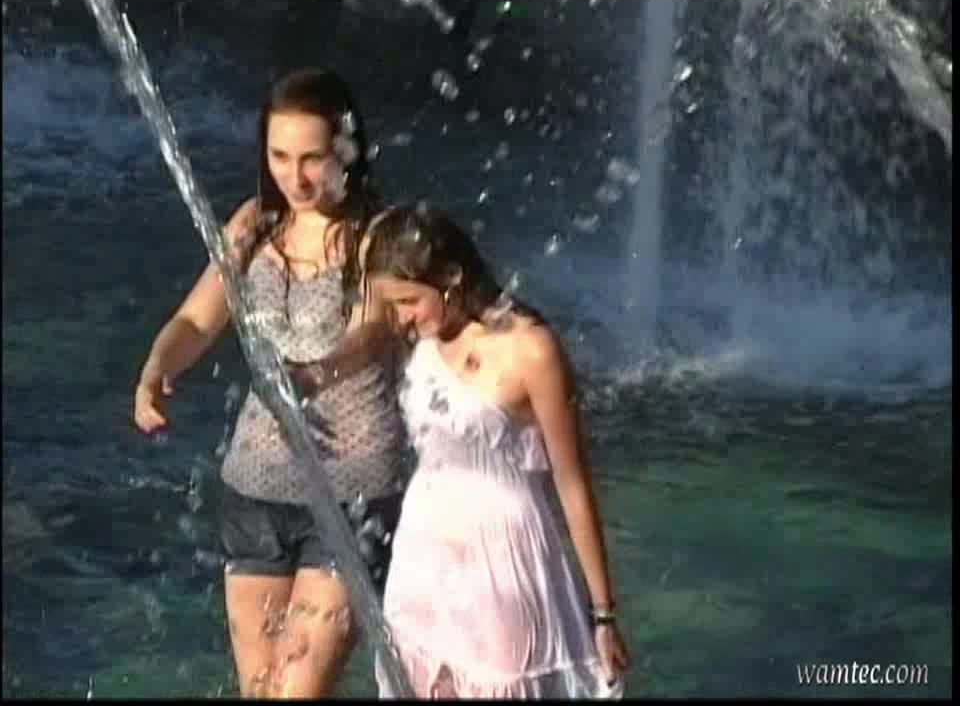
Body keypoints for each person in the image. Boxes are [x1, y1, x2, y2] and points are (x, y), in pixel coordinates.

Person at [131, 68, 408, 698]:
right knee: (260, 691)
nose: (295, 177)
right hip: (254, 491)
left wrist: (311, 373)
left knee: (296, 694)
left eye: (312, 158)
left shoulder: (379, 236)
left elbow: (370, 333)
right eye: (280, 157)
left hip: (352, 496)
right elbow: (197, 319)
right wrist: (156, 368)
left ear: (346, 150)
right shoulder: (253, 225)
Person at [359, 204, 630, 698]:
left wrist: (603, 614)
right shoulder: (424, 338)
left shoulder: (532, 349)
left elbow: (573, 483)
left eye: (408, 301)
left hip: (504, 563)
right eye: (392, 304)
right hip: (422, 555)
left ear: (451, 277)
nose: (398, 319)